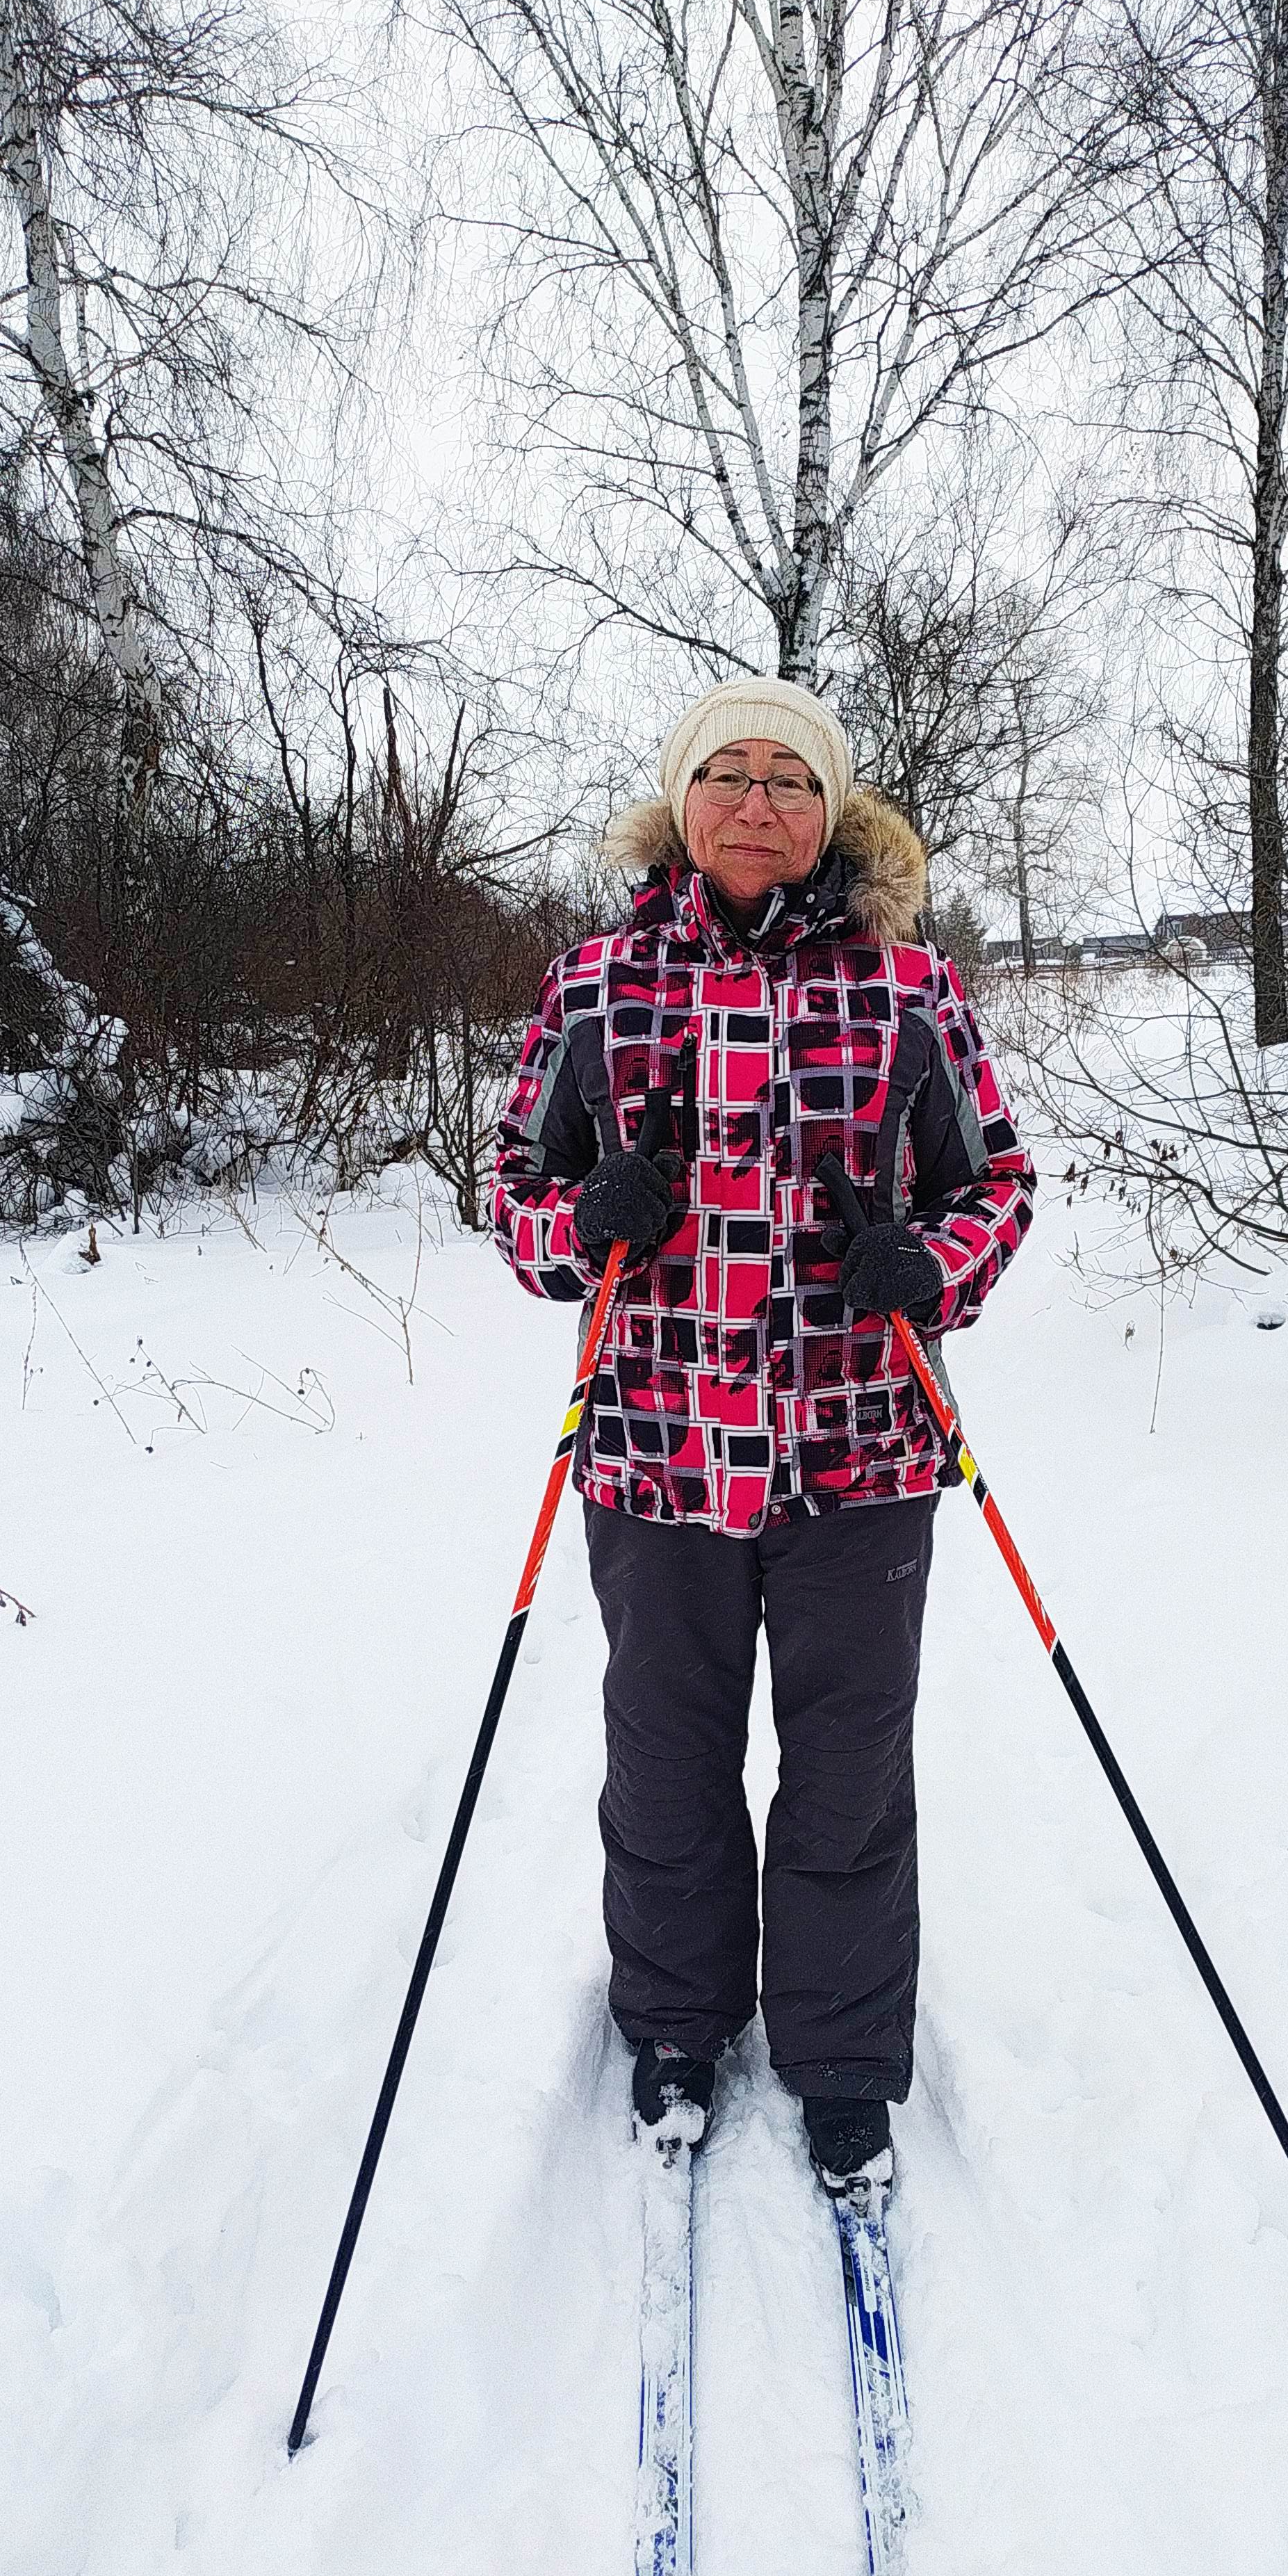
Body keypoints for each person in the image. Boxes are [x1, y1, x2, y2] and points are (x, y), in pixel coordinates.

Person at [489, 675, 1034, 2194]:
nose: (754, 803)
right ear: (681, 805)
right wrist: (581, 1217)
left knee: (849, 1768)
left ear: (830, 813)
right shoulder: (594, 986)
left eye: (788, 781)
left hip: (863, 1450)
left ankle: (844, 2053)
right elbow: (511, 1191)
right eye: (724, 776)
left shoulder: (913, 993)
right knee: (664, 1757)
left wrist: (932, 1264)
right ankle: (675, 2021)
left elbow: (996, 1181)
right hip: (656, 1446)